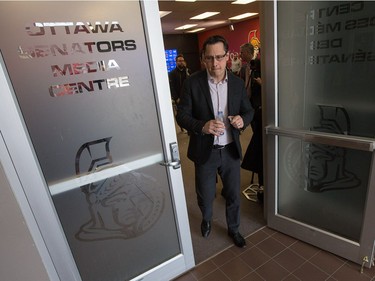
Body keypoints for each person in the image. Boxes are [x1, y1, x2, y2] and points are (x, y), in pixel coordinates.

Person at [176, 35, 254, 248]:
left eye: (219, 57)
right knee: (205, 194)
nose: (215, 63)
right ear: (203, 58)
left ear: (228, 57)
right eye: (209, 58)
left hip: (230, 150)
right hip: (205, 151)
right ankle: (207, 219)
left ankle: (234, 229)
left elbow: (249, 111)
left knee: (232, 194)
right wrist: (202, 126)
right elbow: (181, 115)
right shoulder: (193, 83)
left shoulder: (237, 84)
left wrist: (242, 120)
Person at [239, 43, 264, 198]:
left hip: (259, 107)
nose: (240, 55)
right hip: (248, 106)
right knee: (256, 141)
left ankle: (262, 179)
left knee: (259, 141)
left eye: (242, 53)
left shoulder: (261, 65)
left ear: (249, 52)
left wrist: (262, 84)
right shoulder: (243, 68)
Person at [169, 54, 190, 133]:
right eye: (179, 61)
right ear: (176, 62)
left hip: (187, 96)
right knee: (181, 114)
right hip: (178, 98)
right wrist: (176, 97)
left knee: (189, 112)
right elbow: (172, 87)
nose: (181, 62)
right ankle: (182, 127)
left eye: (182, 61)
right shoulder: (172, 74)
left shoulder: (187, 71)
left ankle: (188, 127)